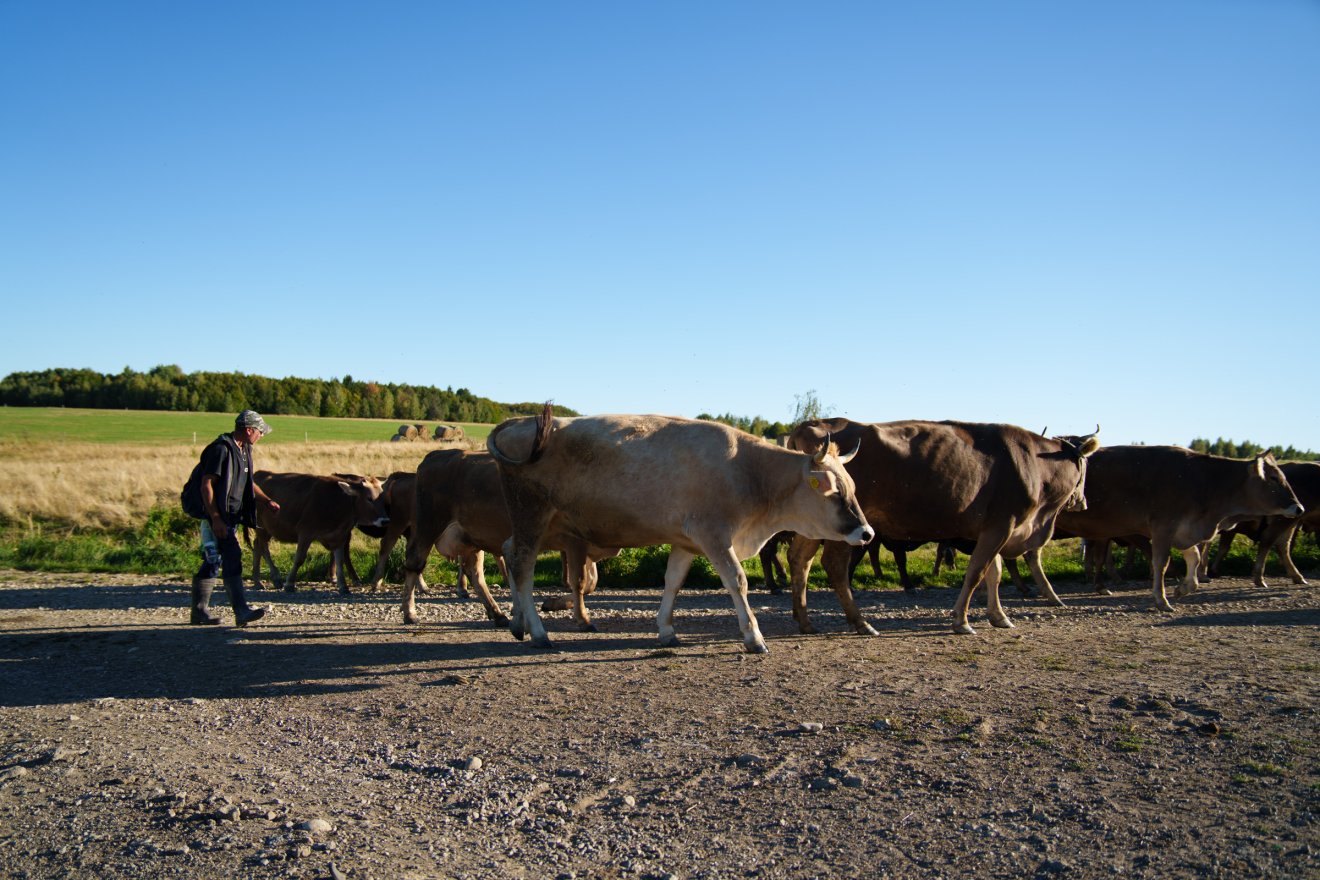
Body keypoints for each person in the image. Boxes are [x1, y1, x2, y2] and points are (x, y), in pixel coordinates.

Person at [181, 410, 281, 626]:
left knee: (213, 560)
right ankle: (240, 611)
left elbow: (247, 482)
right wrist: (215, 518)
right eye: (260, 432)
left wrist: (266, 500)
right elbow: (206, 485)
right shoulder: (220, 450)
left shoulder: (244, 449)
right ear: (249, 430)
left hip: (231, 516)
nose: (262, 435)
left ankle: (199, 612)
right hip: (218, 516)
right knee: (232, 556)